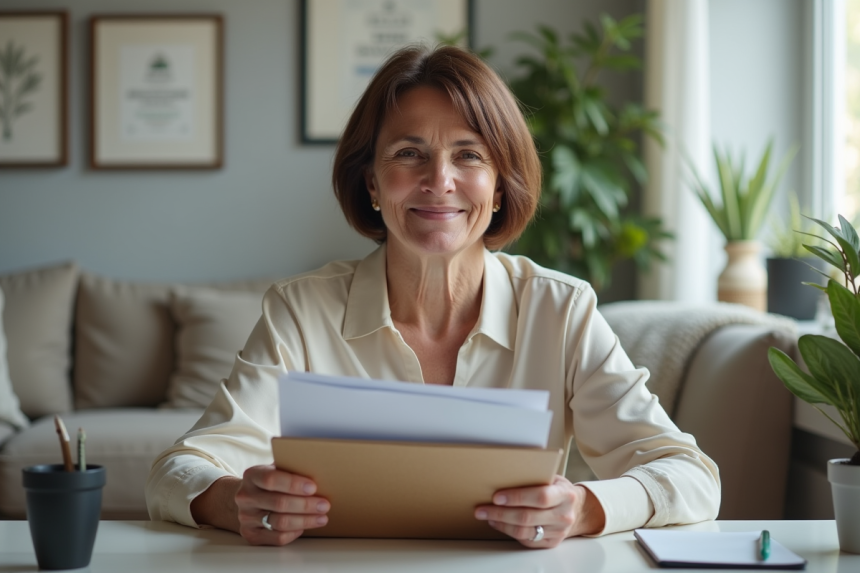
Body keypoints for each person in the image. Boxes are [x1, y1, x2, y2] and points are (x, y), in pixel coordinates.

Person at [146, 45, 720, 549]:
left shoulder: (560, 310)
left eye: (469, 155)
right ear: (371, 182)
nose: (439, 180)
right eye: (408, 153)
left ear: (499, 188)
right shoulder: (302, 310)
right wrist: (230, 500)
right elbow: (180, 468)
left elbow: (690, 475)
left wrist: (585, 508)